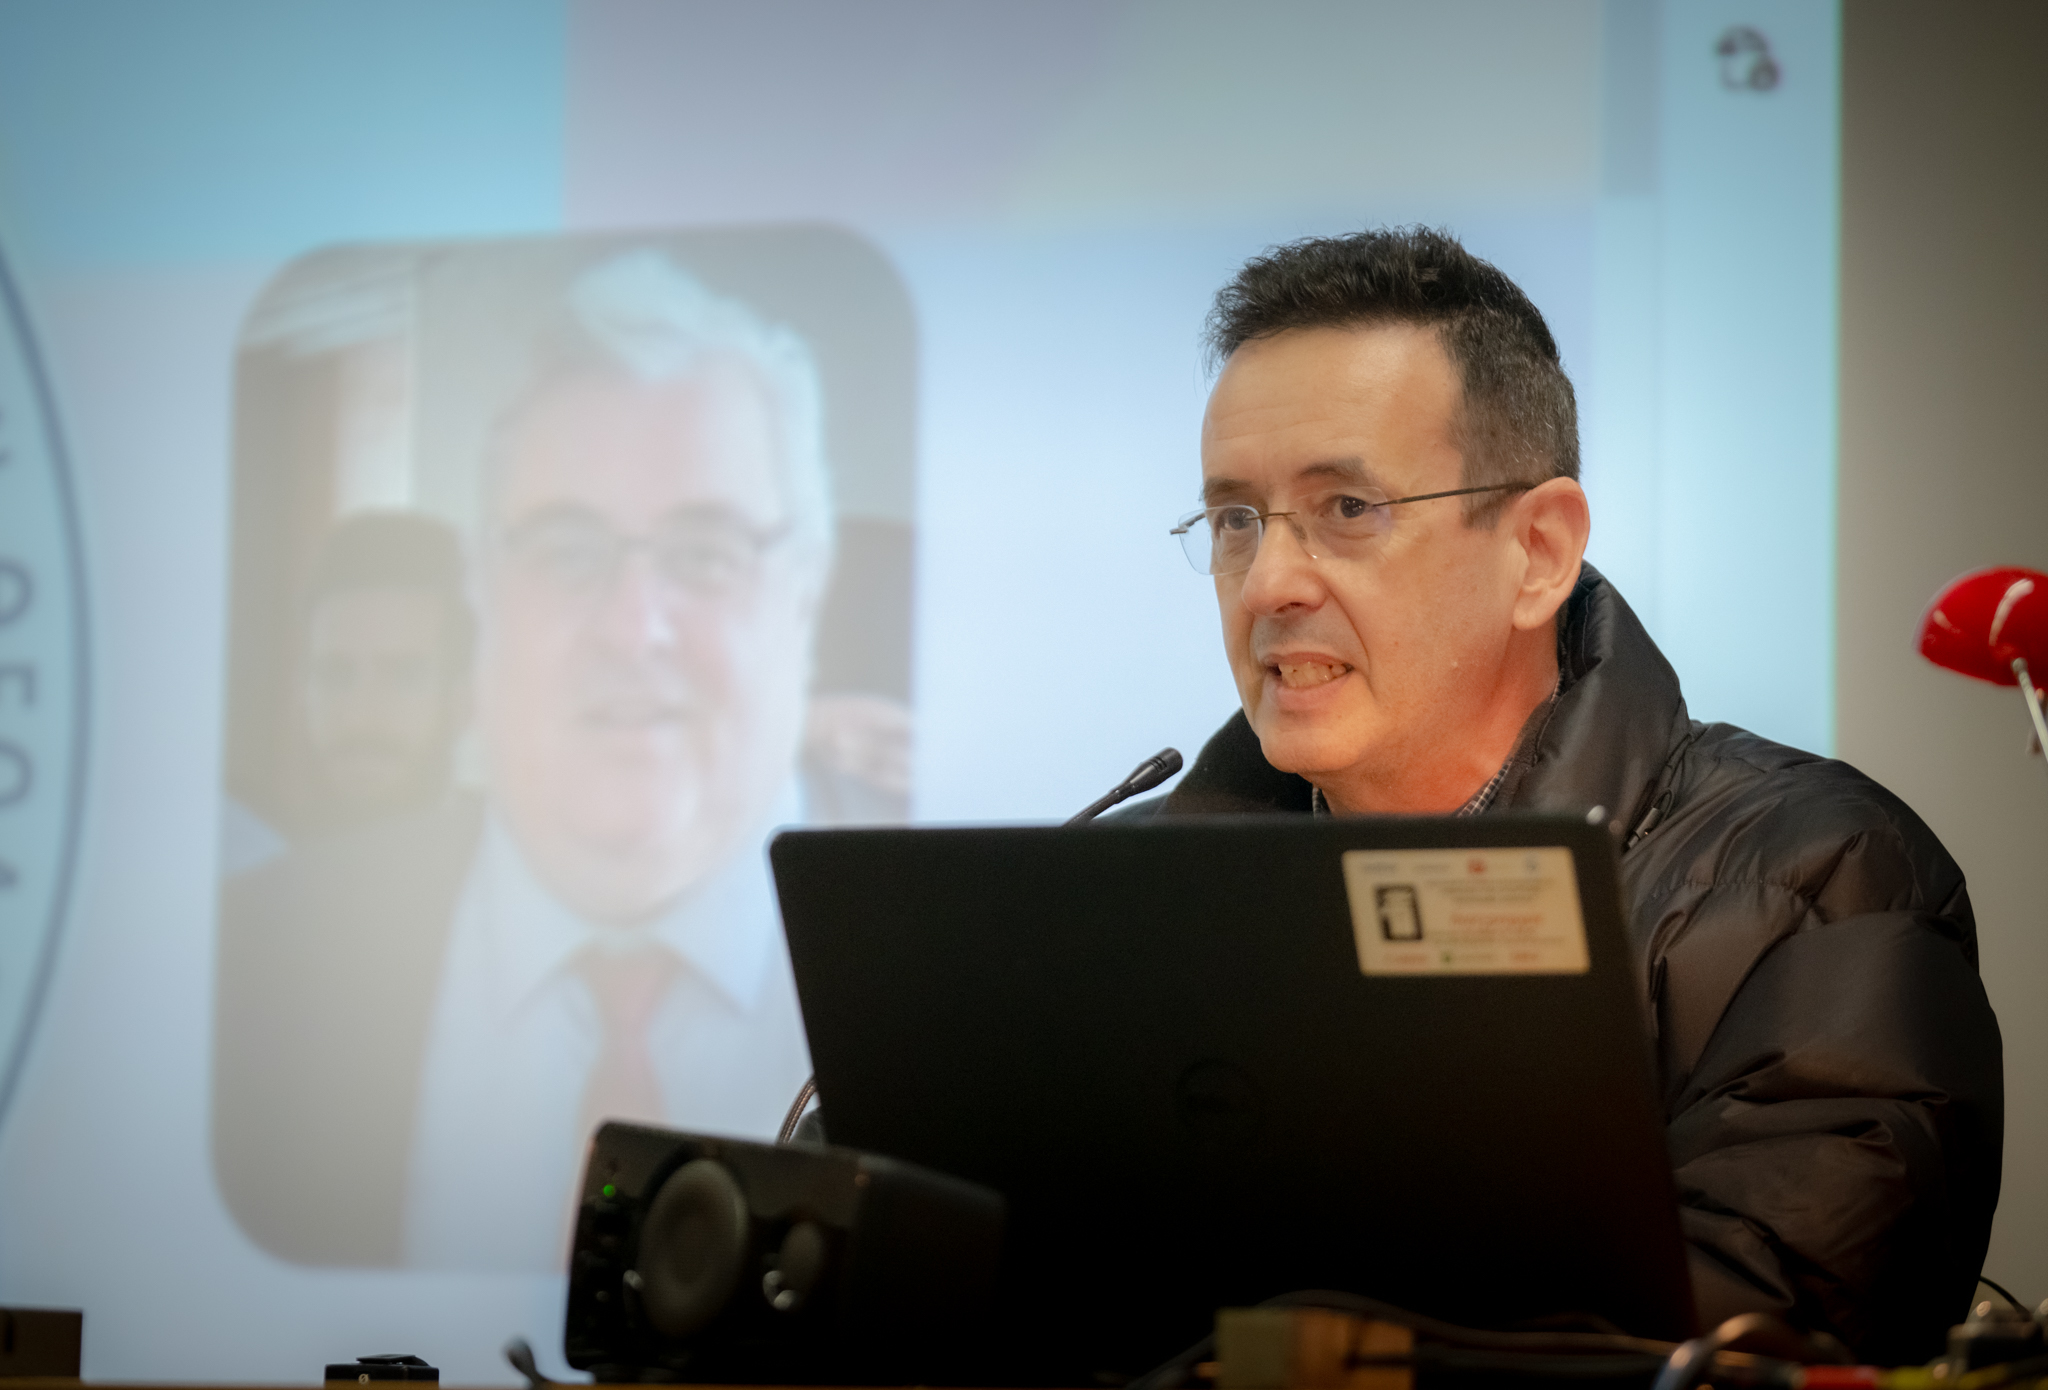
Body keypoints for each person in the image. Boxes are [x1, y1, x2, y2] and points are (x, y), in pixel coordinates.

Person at [1125, 227, 2002, 1362]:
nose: (1268, 584)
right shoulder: (1129, 888)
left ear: (1537, 551)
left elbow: (1760, 1320)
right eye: (1236, 521)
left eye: (1345, 509)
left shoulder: (1820, 875)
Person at [214, 251, 890, 1269]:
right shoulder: (258, 950)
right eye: (568, 550)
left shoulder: (936, 969)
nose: (631, 627)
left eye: (704, 552)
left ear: (805, 590)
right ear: (484, 589)